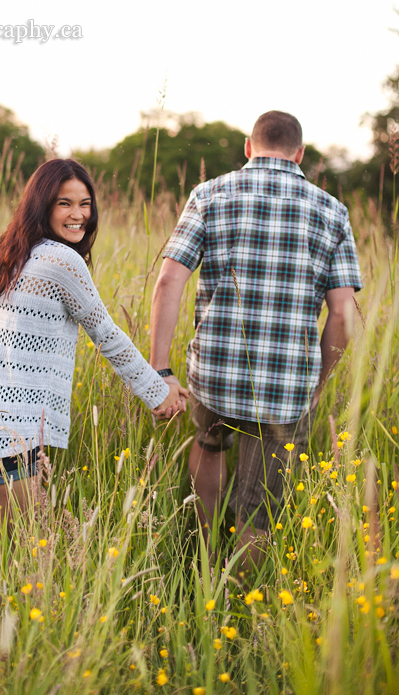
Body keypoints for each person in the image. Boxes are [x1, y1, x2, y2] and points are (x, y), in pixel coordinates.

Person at [0, 158, 185, 601]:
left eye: (85, 203)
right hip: (2, 432)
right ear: (41, 205)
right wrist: (158, 392)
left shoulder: (7, 252)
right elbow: (107, 334)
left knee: (15, 517)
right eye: (64, 203)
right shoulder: (62, 261)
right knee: (27, 540)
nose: (78, 214)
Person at [149, 111, 362, 563]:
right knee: (260, 503)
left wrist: (160, 370)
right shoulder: (332, 211)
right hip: (287, 387)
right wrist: (317, 384)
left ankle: (203, 558)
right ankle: (240, 603)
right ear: (300, 154)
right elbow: (343, 312)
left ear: (249, 147)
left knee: (209, 449)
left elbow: (168, 280)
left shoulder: (209, 193)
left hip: (215, 374)